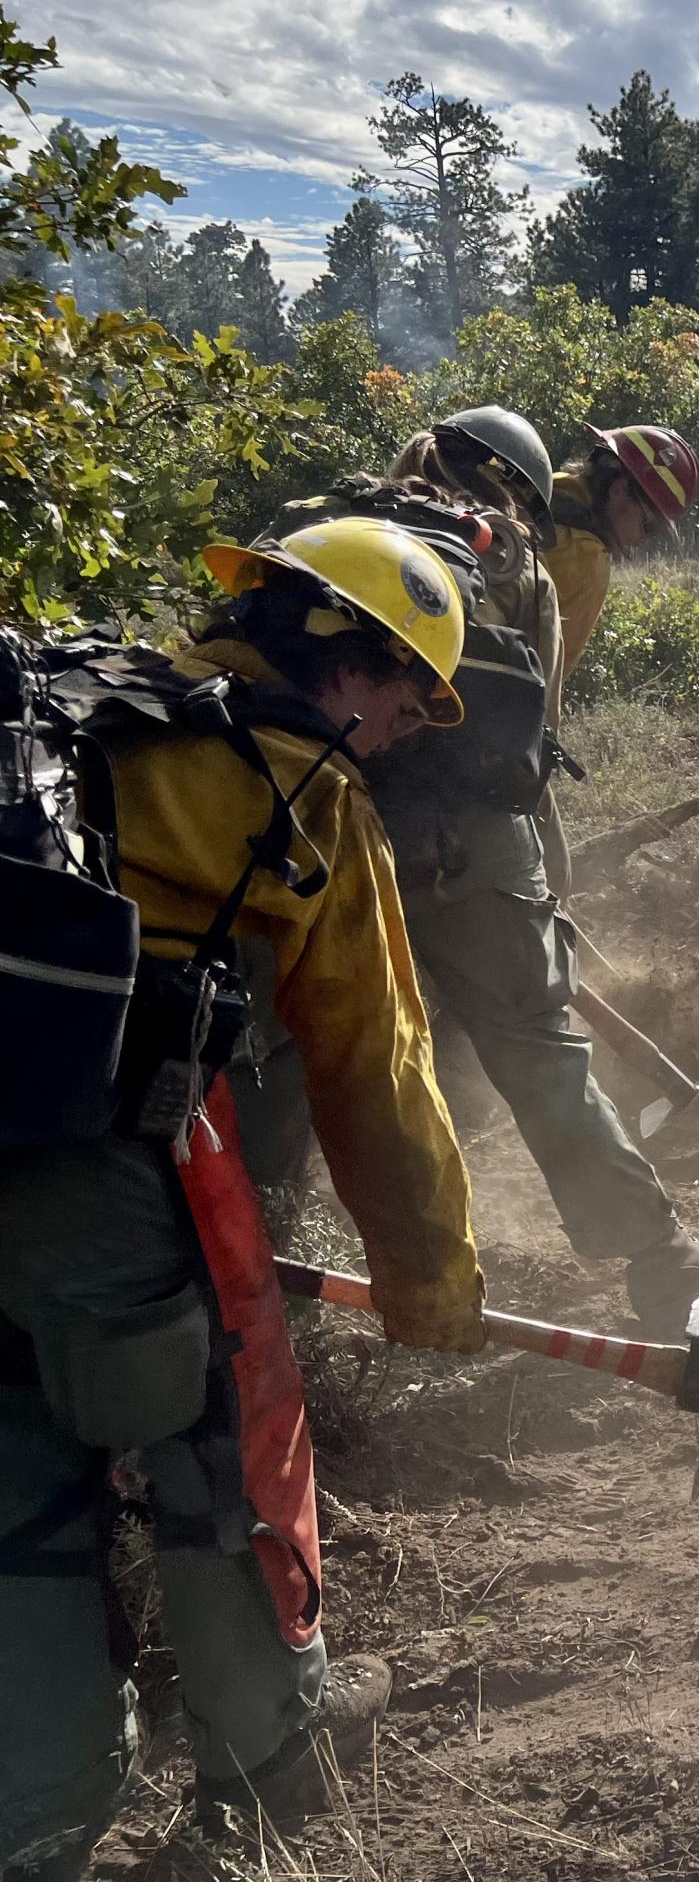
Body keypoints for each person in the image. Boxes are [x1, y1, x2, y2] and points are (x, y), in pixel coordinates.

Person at [0, 520, 489, 1876]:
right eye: (407, 692)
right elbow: (374, 1065)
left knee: (22, 1470)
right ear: (349, 654)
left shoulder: (81, 699)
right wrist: (430, 1275)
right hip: (100, 1183)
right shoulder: (299, 788)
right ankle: (279, 1749)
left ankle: (33, 1794)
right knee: (214, 1444)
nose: (403, 727)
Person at [375, 406, 699, 1330]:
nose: (646, 536)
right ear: (609, 485)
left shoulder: (347, 523)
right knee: (535, 1037)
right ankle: (659, 1259)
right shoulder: (544, 564)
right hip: (456, 833)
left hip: (315, 820)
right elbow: (524, 731)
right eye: (648, 517)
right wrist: (544, 878)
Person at [543, 424, 699, 671]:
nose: (643, 540)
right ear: (620, 491)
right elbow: (550, 671)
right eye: (648, 527)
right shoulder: (588, 559)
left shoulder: (550, 487)